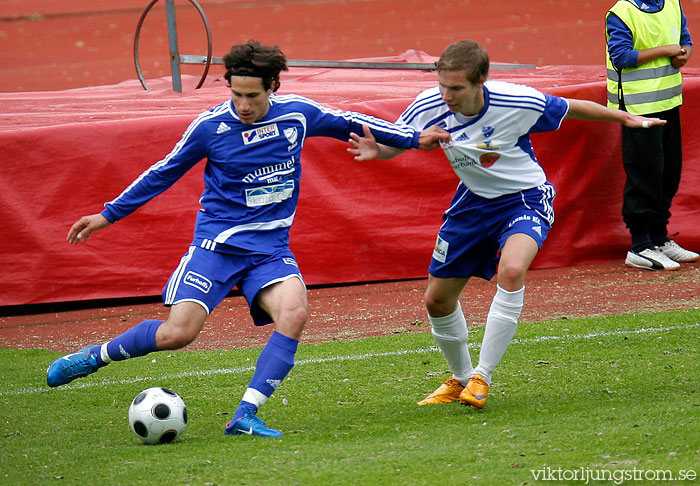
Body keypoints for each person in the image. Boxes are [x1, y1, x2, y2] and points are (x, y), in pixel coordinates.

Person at [46, 40, 448, 437]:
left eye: (252, 95)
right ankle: (93, 356)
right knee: (176, 335)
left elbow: (348, 120)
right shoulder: (210, 127)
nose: (243, 104)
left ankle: (244, 415)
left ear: (272, 87)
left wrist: (414, 139)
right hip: (216, 248)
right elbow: (162, 171)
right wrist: (108, 214)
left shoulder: (298, 115)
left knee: (294, 313)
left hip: (270, 250)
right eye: (236, 93)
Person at [348, 39, 665, 410]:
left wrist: (625, 117)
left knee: (511, 270)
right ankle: (461, 379)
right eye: (442, 85)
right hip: (471, 204)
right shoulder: (428, 105)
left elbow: (571, 108)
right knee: (437, 300)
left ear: (481, 80)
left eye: (456, 88)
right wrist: (378, 152)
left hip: (524, 198)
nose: (446, 95)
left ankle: (483, 375)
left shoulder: (516, 101)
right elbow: (402, 140)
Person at [606, 0, 698, 270]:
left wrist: (685, 52)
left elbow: (685, 37)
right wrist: (666, 51)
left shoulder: (672, 3)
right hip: (637, 108)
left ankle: (659, 237)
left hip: (668, 102)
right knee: (644, 172)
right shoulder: (622, 12)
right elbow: (621, 57)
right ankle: (640, 244)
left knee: (669, 171)